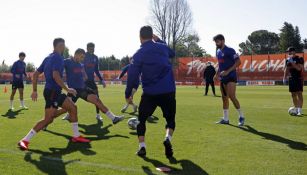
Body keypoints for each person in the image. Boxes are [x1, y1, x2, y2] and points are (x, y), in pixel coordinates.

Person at [18, 38, 90, 151]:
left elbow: (36, 74)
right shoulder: (58, 57)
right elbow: (56, 75)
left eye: (64, 45)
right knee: (48, 119)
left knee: (72, 107)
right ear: (56, 46)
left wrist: (35, 90)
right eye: (61, 45)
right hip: (52, 92)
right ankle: (25, 140)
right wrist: (68, 89)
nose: (63, 47)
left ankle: (76, 136)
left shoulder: (48, 57)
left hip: (54, 92)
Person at [126, 26, 176, 157]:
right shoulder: (163, 47)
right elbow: (172, 53)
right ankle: (167, 139)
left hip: (150, 93)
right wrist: (160, 40)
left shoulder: (139, 53)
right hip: (168, 90)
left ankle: (142, 147)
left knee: (141, 120)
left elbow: (133, 75)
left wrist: (128, 94)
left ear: (140, 37)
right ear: (152, 35)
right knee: (170, 120)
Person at [61, 48, 124, 124]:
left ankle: (113, 118)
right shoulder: (67, 62)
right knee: (64, 109)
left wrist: (84, 75)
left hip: (83, 89)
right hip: (73, 91)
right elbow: (57, 67)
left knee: (97, 100)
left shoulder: (81, 64)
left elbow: (84, 75)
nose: (82, 59)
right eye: (81, 57)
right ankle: (47, 121)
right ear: (76, 54)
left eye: (83, 57)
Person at [213, 34, 245, 126]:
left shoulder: (230, 50)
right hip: (223, 78)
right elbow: (220, 65)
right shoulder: (218, 51)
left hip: (231, 76)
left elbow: (238, 62)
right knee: (224, 98)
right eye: (215, 42)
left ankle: (241, 116)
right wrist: (216, 74)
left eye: (217, 42)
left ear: (223, 40)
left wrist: (227, 71)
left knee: (231, 96)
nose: (216, 44)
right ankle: (225, 119)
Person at [82, 42, 106, 123]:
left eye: (93, 48)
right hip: (83, 81)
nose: (92, 49)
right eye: (91, 48)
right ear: (87, 48)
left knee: (97, 97)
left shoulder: (95, 57)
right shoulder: (83, 56)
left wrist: (101, 80)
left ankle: (98, 115)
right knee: (74, 96)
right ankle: (68, 113)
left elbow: (96, 70)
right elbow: (80, 67)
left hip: (91, 81)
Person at [283, 47, 304, 115]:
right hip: (291, 78)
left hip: (298, 78)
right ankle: (296, 109)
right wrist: (284, 78)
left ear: (293, 52)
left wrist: (292, 62)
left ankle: (299, 110)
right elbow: (286, 69)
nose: (288, 53)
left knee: (299, 94)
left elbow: (299, 69)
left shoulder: (300, 59)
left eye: (289, 52)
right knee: (293, 94)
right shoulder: (287, 60)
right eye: (288, 52)